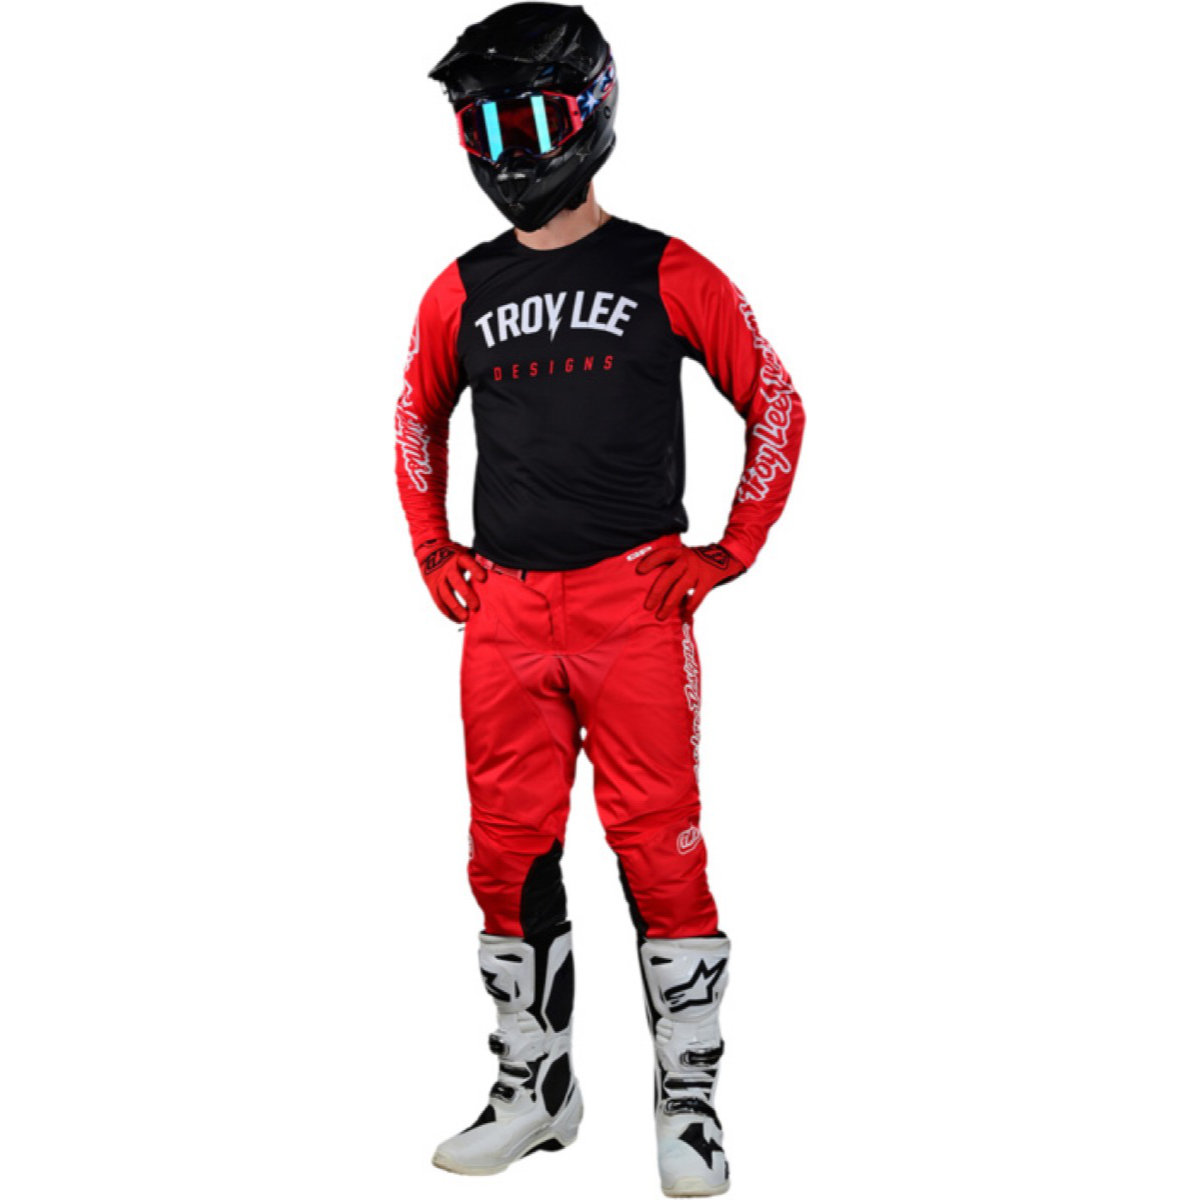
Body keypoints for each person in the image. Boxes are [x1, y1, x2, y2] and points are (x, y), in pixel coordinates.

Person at [394, 4, 805, 1195]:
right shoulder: (459, 288)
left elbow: (776, 402)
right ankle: (536, 1090)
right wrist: (432, 549)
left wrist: (729, 551)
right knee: (501, 853)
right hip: (504, 616)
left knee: (660, 847)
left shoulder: (667, 269)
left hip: (635, 606)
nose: (507, 152)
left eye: (528, 122)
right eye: (484, 127)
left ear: (592, 113)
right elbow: (416, 416)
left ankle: (690, 1103)